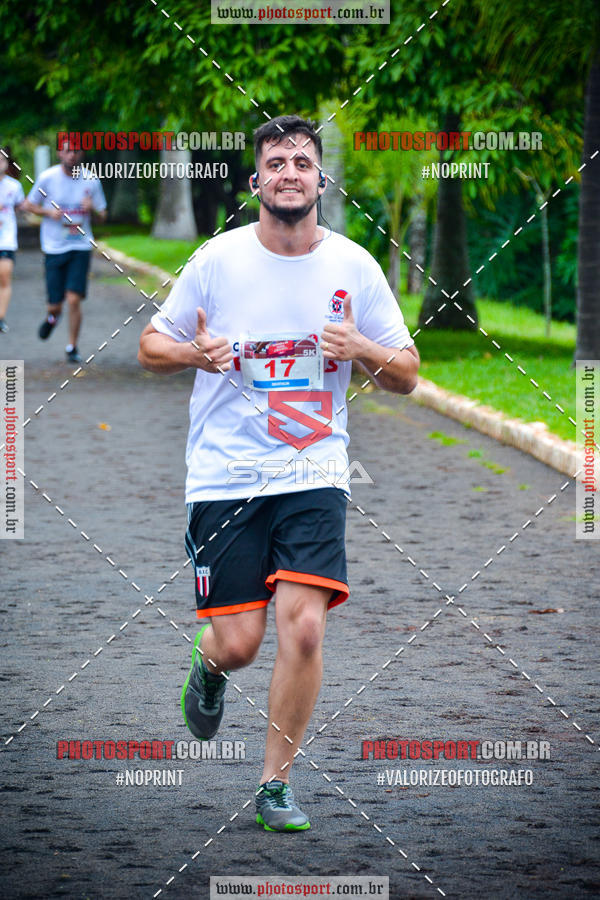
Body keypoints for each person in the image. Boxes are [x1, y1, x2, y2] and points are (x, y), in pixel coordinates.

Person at [138, 114, 420, 832]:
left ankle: (274, 783)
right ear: (256, 181)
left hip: (315, 468)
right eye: (276, 162)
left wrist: (361, 345)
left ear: (321, 179)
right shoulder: (216, 260)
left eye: (302, 161)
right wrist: (194, 355)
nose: (290, 172)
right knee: (240, 643)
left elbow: (408, 375)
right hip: (225, 475)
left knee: (302, 632)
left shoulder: (354, 267)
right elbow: (149, 346)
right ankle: (208, 668)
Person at [24, 143, 106, 363]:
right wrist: (47, 212)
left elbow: (103, 215)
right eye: (68, 151)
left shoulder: (91, 180)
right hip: (53, 246)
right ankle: (52, 317)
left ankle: (72, 346)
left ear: (82, 154)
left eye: (76, 151)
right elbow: (28, 205)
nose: (72, 155)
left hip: (80, 246)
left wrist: (92, 210)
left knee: (73, 299)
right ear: (60, 153)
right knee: (55, 304)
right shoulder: (47, 178)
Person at [0, 148, 25, 333]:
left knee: (4, 278)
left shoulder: (14, 187)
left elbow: (19, 208)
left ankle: (0, 317)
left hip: (6, 240)